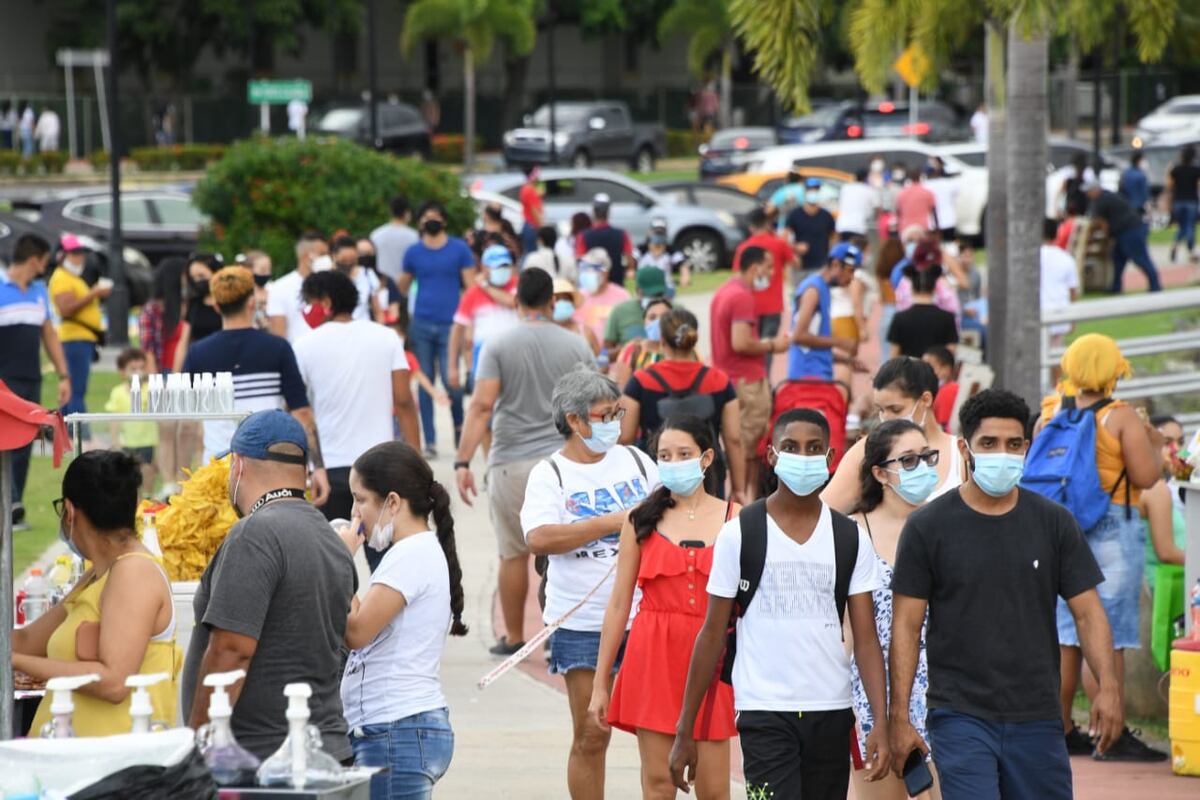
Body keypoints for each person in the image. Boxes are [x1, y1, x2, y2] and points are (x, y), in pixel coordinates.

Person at [888, 389, 1123, 798]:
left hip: (1038, 717)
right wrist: (899, 717)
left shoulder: (1054, 523)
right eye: (989, 443)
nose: (1003, 453)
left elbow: (1088, 613)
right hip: (959, 715)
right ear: (965, 448)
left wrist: (1109, 687)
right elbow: (906, 628)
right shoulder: (928, 527)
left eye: (1014, 444)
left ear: (1027, 447)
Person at [670, 409, 890, 800]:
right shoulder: (740, 533)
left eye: (813, 448)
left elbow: (867, 638)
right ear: (771, 455)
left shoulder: (850, 538)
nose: (801, 458)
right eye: (790, 447)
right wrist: (684, 729)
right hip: (764, 711)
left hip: (832, 710)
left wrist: (880, 722)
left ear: (830, 458)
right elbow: (712, 634)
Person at [184, 410, 356, 762]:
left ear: (239, 466)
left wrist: (198, 745)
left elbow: (231, 651)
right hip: (326, 750)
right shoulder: (331, 539)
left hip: (263, 761)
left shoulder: (255, 534)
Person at [522, 367, 661, 800]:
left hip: (646, 616)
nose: (614, 423)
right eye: (604, 416)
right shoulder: (551, 474)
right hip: (582, 621)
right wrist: (613, 522)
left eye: (617, 412)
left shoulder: (637, 461)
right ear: (574, 420)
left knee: (654, 735)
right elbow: (540, 538)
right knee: (590, 733)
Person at [589, 416, 737, 799]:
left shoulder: (736, 518)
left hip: (714, 658)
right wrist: (600, 684)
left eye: (683, 454)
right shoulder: (640, 519)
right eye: (664, 456)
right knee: (657, 784)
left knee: (714, 788)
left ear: (706, 458)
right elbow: (619, 604)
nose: (673, 462)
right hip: (652, 657)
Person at [1036, 335, 1167, 762]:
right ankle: (1109, 732)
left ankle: (1059, 726)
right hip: (1112, 525)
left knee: (1066, 635)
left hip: (1061, 527)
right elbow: (1147, 477)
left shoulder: (1051, 411)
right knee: (1109, 633)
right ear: (1113, 369)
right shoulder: (1119, 416)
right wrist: (1155, 444)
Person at [455, 268, 597, 656]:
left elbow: (482, 405)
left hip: (511, 461)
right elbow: (594, 403)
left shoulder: (498, 345)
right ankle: (559, 634)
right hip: (565, 461)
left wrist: (462, 460)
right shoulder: (576, 345)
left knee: (513, 552)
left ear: (516, 303)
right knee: (565, 552)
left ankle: (514, 637)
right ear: (553, 301)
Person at [337, 442, 467, 799]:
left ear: (392, 502)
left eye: (360, 499)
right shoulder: (412, 553)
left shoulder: (412, 555)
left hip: (398, 730)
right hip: (398, 729)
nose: (354, 513)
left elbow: (357, 631)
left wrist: (342, 561)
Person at [16, 450, 176, 736]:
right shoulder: (98, 573)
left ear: (70, 511)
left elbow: (113, 682)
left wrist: (13, 662)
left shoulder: (134, 573)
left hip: (116, 770)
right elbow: (26, 641)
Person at [181, 266, 330, 509]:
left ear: (216, 306)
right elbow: (302, 413)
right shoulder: (278, 348)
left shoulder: (198, 354)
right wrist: (318, 467)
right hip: (270, 467)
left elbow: (188, 423)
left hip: (217, 469)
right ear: (252, 302)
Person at [849, 420, 942, 800]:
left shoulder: (945, 525)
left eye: (927, 457)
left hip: (940, 692)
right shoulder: (852, 532)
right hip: (872, 693)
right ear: (879, 473)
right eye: (907, 460)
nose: (921, 467)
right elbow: (845, 632)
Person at [293, 270, 418, 535]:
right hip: (380, 464)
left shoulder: (304, 345)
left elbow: (300, 411)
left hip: (330, 467)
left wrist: (311, 466)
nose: (306, 311)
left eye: (309, 302)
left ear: (325, 302)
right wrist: (416, 460)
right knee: (384, 555)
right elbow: (405, 402)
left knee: (332, 558)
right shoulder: (386, 338)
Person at [619, 307, 746, 501]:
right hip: (707, 477)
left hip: (657, 477)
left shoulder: (641, 381)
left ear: (661, 341)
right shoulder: (719, 380)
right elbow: (734, 440)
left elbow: (626, 437)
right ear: (694, 339)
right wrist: (739, 489)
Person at [824, 357, 965, 513]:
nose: (886, 419)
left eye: (896, 409)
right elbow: (826, 514)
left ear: (926, 399)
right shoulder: (864, 451)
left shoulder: (960, 453)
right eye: (881, 410)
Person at [1, 233, 70, 530]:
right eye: (44, 261)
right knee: (4, 444)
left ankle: (14, 504)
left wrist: (63, 374)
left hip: (30, 378)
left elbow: (49, 334)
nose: (45, 267)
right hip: (3, 382)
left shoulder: (39, 291)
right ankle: (11, 503)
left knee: (26, 444)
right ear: (34, 260)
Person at [709, 246, 789, 499]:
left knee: (741, 443)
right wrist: (773, 345)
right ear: (754, 268)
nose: (771, 273)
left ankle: (743, 496)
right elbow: (741, 342)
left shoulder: (725, 290)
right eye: (768, 267)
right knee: (748, 447)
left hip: (731, 378)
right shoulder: (742, 296)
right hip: (747, 381)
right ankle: (745, 498)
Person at [399, 201, 475, 457]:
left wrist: (469, 326)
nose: (430, 221)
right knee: (424, 382)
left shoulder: (459, 249)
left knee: (452, 380)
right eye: (425, 217)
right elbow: (402, 286)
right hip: (421, 323)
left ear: (443, 220)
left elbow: (470, 288)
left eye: (435, 216)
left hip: (451, 325)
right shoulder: (413, 252)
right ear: (419, 223)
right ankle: (429, 440)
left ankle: (459, 431)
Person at [448, 244, 519, 397]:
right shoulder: (473, 293)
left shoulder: (518, 284)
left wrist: (485, 286)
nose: (503, 270)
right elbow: (457, 328)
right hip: (483, 363)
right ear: (485, 268)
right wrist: (452, 366)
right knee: (484, 411)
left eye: (506, 265)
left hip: (515, 360)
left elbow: (513, 302)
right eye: (498, 266)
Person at [49, 235, 108, 417]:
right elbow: (66, 309)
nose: (80, 257)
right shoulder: (61, 278)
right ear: (61, 255)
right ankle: (80, 434)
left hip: (82, 338)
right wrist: (93, 294)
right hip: (74, 338)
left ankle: (67, 432)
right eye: (74, 253)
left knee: (76, 389)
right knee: (76, 390)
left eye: (81, 253)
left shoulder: (73, 277)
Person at [732, 207, 795, 374]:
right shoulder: (778, 243)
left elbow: (737, 276)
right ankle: (764, 379)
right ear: (767, 223)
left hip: (750, 306)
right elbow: (795, 262)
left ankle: (753, 377)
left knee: (751, 346)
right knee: (768, 347)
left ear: (751, 226)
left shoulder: (744, 247)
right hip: (773, 305)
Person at [788, 242, 862, 382]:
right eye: (850, 271)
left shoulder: (824, 289)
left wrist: (847, 360)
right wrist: (840, 342)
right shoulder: (813, 289)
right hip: (808, 377)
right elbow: (798, 336)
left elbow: (814, 345)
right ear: (835, 264)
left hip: (817, 375)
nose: (851, 278)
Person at [1085, 179, 1162, 294]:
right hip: (1129, 229)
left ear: (1095, 190)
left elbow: (1103, 223)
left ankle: (1155, 286)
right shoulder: (1108, 196)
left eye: (1088, 191)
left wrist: (1107, 239)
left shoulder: (1101, 201)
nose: (1087, 194)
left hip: (1130, 230)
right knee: (1117, 259)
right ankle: (1116, 287)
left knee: (1140, 258)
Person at [1142, 415, 1187, 594]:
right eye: (1167, 442)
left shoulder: (1171, 487)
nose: (1176, 449)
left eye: (1181, 441)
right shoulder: (1155, 489)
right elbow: (1167, 552)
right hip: (1169, 589)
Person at [105, 348, 159, 490]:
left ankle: (147, 503)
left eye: (142, 368)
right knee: (129, 481)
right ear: (122, 372)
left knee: (148, 476)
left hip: (149, 442)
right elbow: (114, 420)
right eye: (133, 369)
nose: (138, 372)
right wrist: (115, 442)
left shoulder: (152, 390)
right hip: (127, 443)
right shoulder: (117, 392)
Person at [267, 232, 332, 344]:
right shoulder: (280, 288)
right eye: (322, 254)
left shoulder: (333, 284)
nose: (327, 259)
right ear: (306, 257)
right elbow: (278, 335)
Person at [887, 261, 958, 359]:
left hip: (909, 371)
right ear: (934, 289)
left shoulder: (899, 318)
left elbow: (894, 355)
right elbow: (950, 353)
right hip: (936, 371)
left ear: (912, 289)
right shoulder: (948, 318)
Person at [174, 252, 227, 365]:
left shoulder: (229, 302)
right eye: (193, 278)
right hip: (200, 363)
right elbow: (183, 341)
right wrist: (176, 375)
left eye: (201, 276)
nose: (198, 281)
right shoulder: (194, 304)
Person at [611, 296, 671, 390]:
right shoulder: (632, 350)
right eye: (652, 317)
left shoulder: (683, 350)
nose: (658, 322)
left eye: (664, 317)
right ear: (644, 322)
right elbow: (622, 390)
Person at [604, 266, 667, 353]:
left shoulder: (675, 311)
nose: (654, 299)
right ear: (638, 291)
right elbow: (605, 354)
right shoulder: (620, 311)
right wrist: (627, 349)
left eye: (658, 295)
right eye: (649, 294)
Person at [1040, 218, 1080, 351]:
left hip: (1037, 315)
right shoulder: (1066, 258)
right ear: (1056, 234)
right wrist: (1073, 319)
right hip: (1060, 316)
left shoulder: (1029, 258)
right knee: (1057, 357)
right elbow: (1073, 292)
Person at [577, 248, 631, 347]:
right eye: (585, 270)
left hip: (613, 356)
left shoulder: (622, 296)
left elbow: (627, 330)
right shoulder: (577, 297)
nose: (587, 274)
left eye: (592, 270)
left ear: (606, 272)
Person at [577, 194, 634, 286]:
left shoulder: (583, 236)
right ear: (608, 211)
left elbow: (580, 262)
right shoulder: (622, 234)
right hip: (617, 284)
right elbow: (629, 260)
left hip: (593, 287)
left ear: (593, 211)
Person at [785, 177, 837, 276]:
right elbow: (784, 238)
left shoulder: (826, 215)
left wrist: (831, 257)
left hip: (821, 267)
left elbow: (834, 236)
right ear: (805, 192)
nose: (813, 192)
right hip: (800, 267)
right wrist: (795, 248)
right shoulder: (795, 215)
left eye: (816, 190)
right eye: (810, 190)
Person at [370, 195, 419, 285]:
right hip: (406, 286)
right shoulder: (415, 236)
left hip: (382, 285)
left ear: (390, 211)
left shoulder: (376, 234)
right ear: (407, 212)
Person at [332, 235, 381, 322]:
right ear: (334, 257)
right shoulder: (327, 278)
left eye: (352, 260)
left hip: (363, 328)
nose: (348, 264)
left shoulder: (367, 275)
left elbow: (377, 310)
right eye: (344, 260)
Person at [636, 218, 690, 296]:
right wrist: (630, 269)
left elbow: (682, 263)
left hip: (665, 287)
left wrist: (685, 276)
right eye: (655, 232)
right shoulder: (641, 249)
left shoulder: (671, 250)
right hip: (645, 287)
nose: (658, 237)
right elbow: (631, 260)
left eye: (661, 233)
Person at [1167, 144, 1200, 264]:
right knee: (1190, 226)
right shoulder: (1195, 169)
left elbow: (1169, 185)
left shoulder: (1175, 169)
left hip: (1178, 201)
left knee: (1182, 226)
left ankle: (1175, 244)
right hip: (1191, 200)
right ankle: (1192, 251)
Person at [552, 278, 601, 354]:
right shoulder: (540, 333)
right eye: (557, 299)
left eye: (566, 299)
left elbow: (599, 361)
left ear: (572, 303)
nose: (561, 302)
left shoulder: (585, 332)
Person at [873, 236, 905, 353]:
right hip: (902, 309)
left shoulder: (880, 271)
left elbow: (881, 298)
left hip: (887, 311)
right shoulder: (903, 270)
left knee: (886, 356)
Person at [837, 168, 881, 244]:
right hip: (859, 227)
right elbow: (878, 208)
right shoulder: (869, 190)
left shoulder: (845, 188)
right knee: (856, 252)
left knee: (845, 251)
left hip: (843, 226)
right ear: (866, 178)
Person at [921, 346, 958, 432]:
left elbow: (944, 427)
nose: (923, 371)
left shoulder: (948, 390)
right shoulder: (940, 390)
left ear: (946, 368)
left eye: (928, 367)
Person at [895, 167, 937, 235]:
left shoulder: (902, 193)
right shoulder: (927, 193)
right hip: (923, 227)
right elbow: (932, 210)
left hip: (906, 228)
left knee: (909, 245)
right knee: (922, 245)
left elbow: (898, 211)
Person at [924, 160, 959, 241]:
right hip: (948, 220)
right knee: (950, 245)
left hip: (931, 222)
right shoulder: (948, 183)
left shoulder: (925, 185)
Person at [520, 166, 545, 255]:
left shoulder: (527, 189)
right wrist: (542, 228)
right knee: (531, 256)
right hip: (532, 227)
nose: (538, 178)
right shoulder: (529, 191)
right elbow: (534, 211)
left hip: (530, 226)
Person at [1119, 151, 1150, 220]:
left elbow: (1121, 189)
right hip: (1138, 205)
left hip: (1126, 204)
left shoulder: (1125, 173)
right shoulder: (1140, 175)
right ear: (1139, 160)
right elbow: (1144, 193)